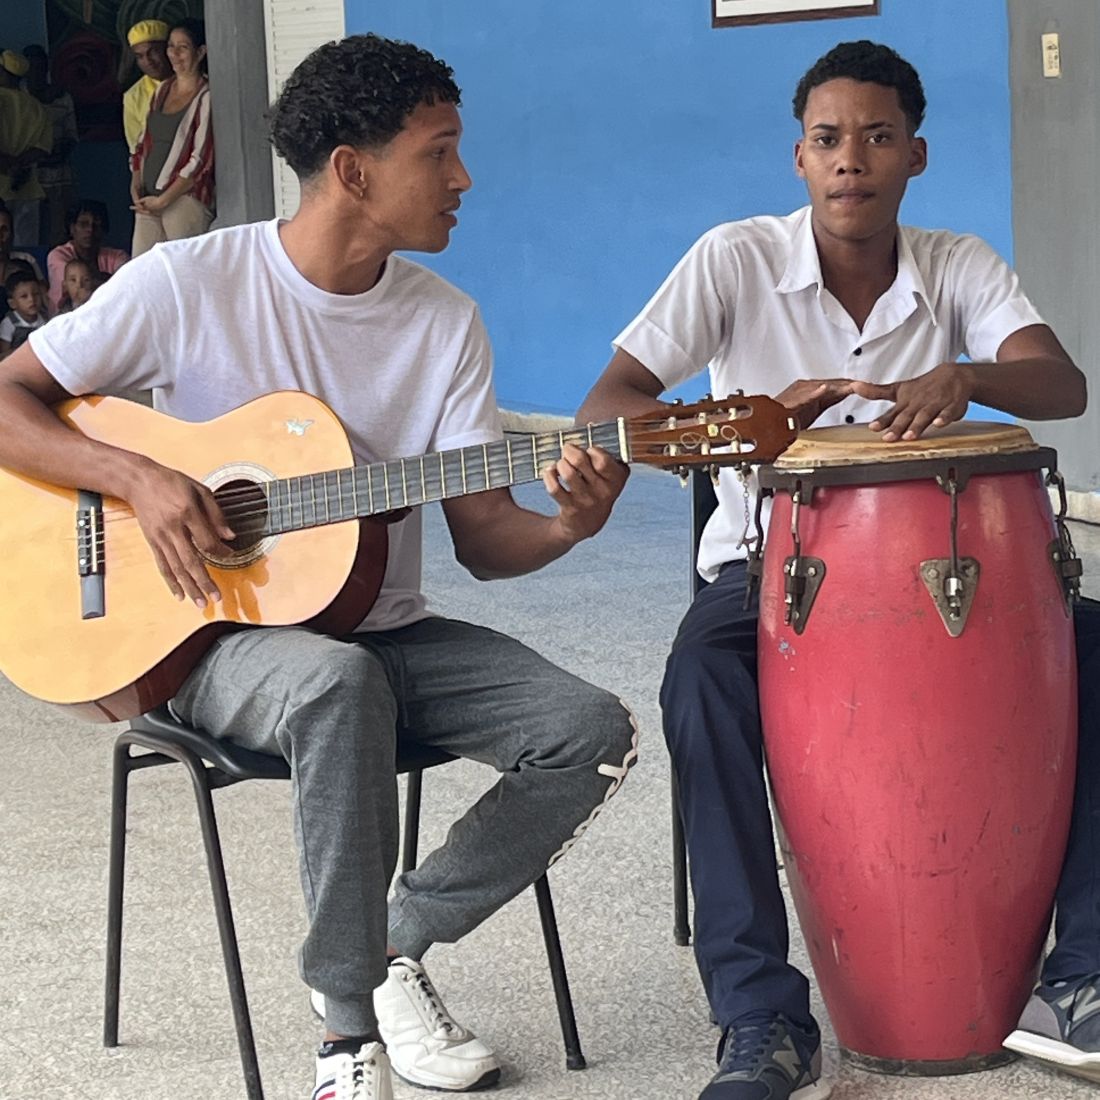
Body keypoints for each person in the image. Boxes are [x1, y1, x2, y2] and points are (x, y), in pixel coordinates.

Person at [0, 32, 638, 1100]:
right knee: (333, 684)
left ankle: (389, 944)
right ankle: (346, 1037)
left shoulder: (444, 324)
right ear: (352, 170)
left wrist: (568, 523)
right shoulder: (187, 281)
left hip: (383, 632)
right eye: (438, 153)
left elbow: (483, 538)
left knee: (587, 730)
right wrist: (142, 479)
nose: (463, 178)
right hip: (209, 637)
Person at [578, 39, 1097, 1100]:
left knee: (1098, 646)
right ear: (798, 159)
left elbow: (1060, 382)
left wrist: (964, 374)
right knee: (699, 681)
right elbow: (607, 405)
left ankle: (1078, 977)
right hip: (770, 569)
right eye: (826, 140)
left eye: (873, 137)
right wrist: (742, 432)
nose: (848, 158)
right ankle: (760, 1014)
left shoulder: (954, 263)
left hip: (948, 567)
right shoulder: (731, 259)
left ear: (914, 153)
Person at [130, 18, 214, 256]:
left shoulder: (206, 95)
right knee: (142, 271)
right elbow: (142, 144)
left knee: (183, 271)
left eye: (183, 47)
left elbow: (200, 160)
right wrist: (136, 185)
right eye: (171, 46)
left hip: (184, 199)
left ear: (200, 52)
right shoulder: (162, 90)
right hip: (149, 199)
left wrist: (164, 200)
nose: (174, 54)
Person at [22, 44, 78, 248]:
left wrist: (58, 154)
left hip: (58, 175)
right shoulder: (19, 97)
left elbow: (72, 135)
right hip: (27, 177)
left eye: (40, 67)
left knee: (59, 232)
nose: (36, 72)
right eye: (31, 67)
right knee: (27, 232)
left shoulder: (61, 97)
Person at [0, 48, 52, 248]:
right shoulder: (36, 106)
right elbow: (42, 149)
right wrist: (18, 167)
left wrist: (8, 167)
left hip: (4, 185)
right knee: (26, 248)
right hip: (26, 187)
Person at [45, 199, 128, 310]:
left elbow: (126, 289)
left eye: (96, 225)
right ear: (72, 228)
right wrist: (109, 284)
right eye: (83, 224)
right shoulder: (58, 255)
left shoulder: (118, 256)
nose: (90, 230)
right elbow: (76, 290)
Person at [121, 19, 172, 157]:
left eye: (153, 51)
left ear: (168, 49)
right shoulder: (133, 97)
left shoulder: (195, 84)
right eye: (140, 56)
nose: (148, 61)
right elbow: (136, 152)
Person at [0, 268, 47, 358]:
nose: (31, 299)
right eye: (24, 296)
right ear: (12, 303)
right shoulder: (9, 323)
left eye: (36, 294)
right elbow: (4, 355)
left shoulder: (44, 319)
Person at [0, 200, 45, 283]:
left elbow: (42, 293)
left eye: (4, 230)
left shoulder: (26, 260)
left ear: (12, 234)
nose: (0, 236)